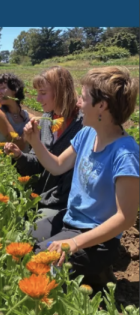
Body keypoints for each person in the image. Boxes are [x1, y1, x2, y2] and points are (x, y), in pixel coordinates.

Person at [25, 66, 139, 292]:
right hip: (70, 222)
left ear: (101, 106)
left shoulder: (125, 154)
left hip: (97, 238)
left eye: (83, 97)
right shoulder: (87, 134)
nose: (77, 103)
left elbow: (125, 218)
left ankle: (97, 272)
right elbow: (57, 166)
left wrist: (74, 244)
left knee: (39, 267)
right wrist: (35, 142)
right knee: (20, 241)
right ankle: (91, 272)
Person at [3, 66, 83, 219]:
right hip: (44, 194)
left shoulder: (82, 123)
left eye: (43, 93)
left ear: (60, 92)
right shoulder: (46, 120)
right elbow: (38, 164)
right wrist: (19, 155)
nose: (38, 99)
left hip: (69, 201)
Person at [0, 72, 30, 151]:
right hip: (6, 162)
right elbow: (17, 146)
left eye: (3, 88)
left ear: (14, 90)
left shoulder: (25, 114)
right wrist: (30, 130)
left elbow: (39, 118)